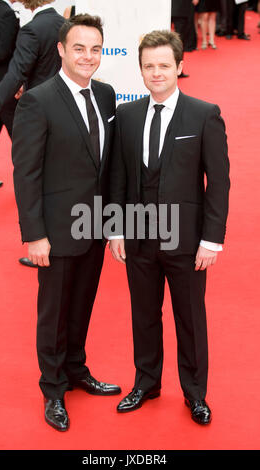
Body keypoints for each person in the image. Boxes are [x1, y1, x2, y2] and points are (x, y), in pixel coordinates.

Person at [109, 30, 230, 425]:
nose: (156, 73)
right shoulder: (126, 117)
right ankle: (146, 382)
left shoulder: (204, 113)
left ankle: (195, 393)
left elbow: (219, 182)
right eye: (149, 66)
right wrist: (115, 229)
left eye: (164, 65)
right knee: (143, 314)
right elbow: (117, 177)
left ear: (179, 66)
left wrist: (211, 240)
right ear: (140, 70)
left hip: (187, 240)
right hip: (139, 239)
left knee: (189, 318)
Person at [12, 13, 120, 432]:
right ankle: (53, 388)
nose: (88, 56)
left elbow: (107, 167)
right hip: (54, 231)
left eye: (95, 48)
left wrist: (112, 224)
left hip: (92, 226)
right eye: (79, 48)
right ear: (61, 50)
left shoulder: (107, 95)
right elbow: (27, 173)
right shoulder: (37, 100)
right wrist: (34, 234)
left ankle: (77, 369)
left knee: (82, 305)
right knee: (53, 313)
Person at [0, 0, 64, 267]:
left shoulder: (33, 29)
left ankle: (45, 248)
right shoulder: (63, 24)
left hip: (39, 113)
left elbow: (16, 72)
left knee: (34, 180)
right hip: (64, 112)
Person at [0, 0, 19, 190]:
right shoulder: (7, 14)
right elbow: (5, 51)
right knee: (19, 136)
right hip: (4, 85)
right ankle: (28, 182)